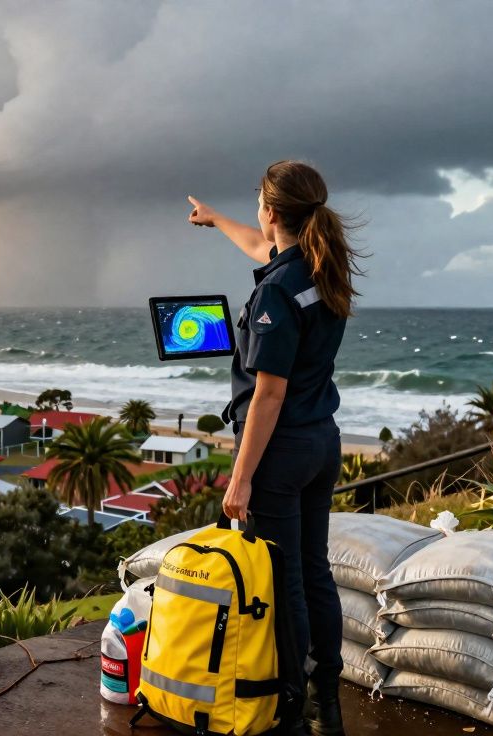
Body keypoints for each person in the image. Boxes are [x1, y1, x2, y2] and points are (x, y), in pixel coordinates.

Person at [187, 160, 363, 736]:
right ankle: (327, 702)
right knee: (315, 571)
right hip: (321, 444)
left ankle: (289, 708)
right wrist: (215, 220)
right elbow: (260, 248)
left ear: (271, 211)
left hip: (281, 454)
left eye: (257, 207)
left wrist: (240, 480)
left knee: (282, 580)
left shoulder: (277, 291)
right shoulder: (320, 268)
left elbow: (268, 393)